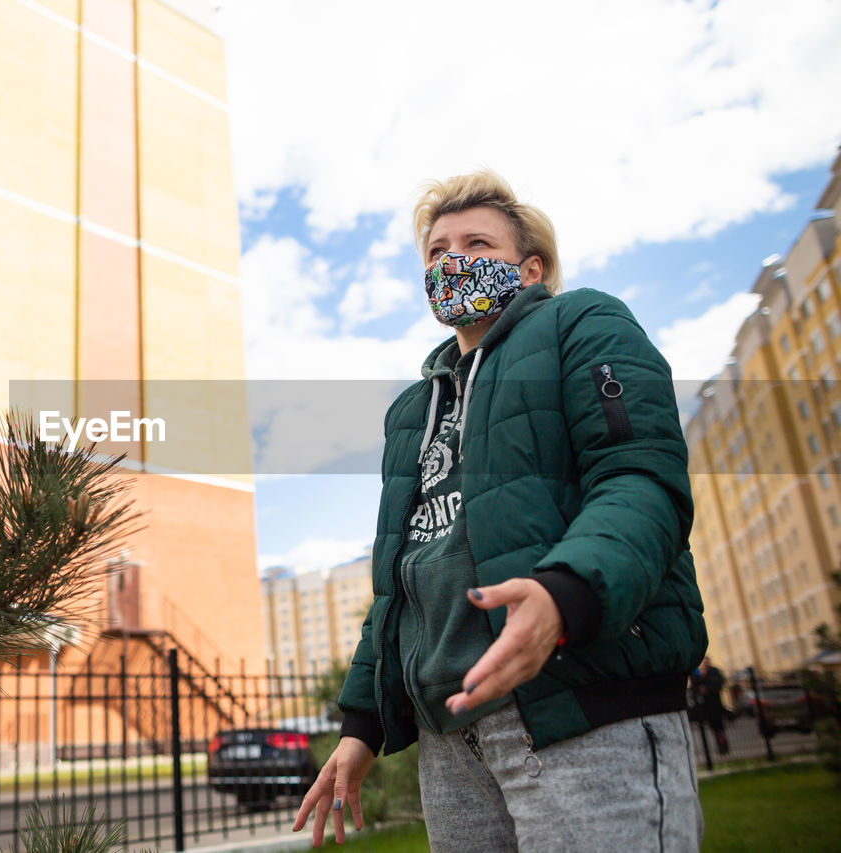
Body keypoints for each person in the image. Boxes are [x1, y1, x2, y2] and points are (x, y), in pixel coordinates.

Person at [293, 170, 708, 851]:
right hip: (450, 741)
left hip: (579, 712)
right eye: (436, 251)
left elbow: (641, 481)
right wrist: (361, 724)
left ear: (532, 267)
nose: (452, 261)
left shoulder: (584, 325)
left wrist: (567, 592)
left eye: (477, 242)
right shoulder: (411, 413)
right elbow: (400, 580)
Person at [692, 657, 729, 754]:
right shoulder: (698, 673)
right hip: (705, 707)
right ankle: (719, 747)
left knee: (719, 727)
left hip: (715, 705)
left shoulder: (714, 672)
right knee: (712, 728)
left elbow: (719, 683)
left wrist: (707, 688)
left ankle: (723, 746)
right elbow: (695, 686)